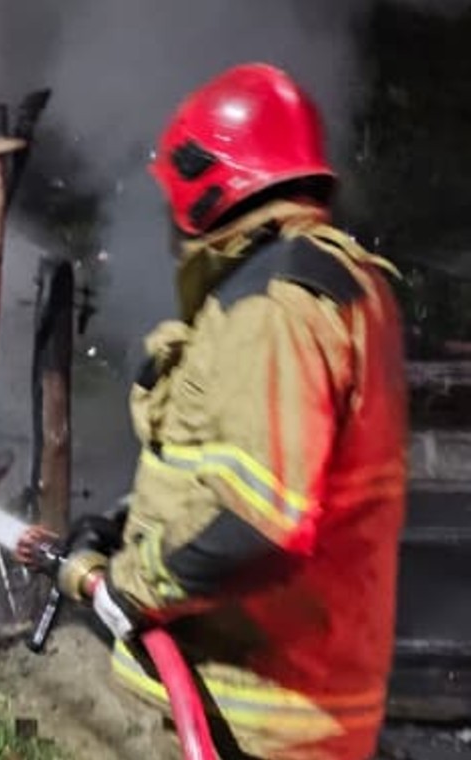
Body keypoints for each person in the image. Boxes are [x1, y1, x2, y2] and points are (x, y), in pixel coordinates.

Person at [21, 63, 408, 760]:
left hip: (235, 717)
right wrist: (123, 522)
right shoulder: (330, 286)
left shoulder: (271, 310)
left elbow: (264, 520)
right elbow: (236, 463)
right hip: (292, 695)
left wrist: (133, 586)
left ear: (208, 186)